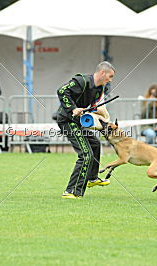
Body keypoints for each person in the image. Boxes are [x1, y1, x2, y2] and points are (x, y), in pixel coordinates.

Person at [56, 61, 114, 199]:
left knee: (95, 144)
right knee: (86, 154)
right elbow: (62, 91)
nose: (110, 80)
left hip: (78, 121)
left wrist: (103, 117)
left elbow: (93, 106)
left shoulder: (99, 89)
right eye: (110, 76)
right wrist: (73, 108)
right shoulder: (81, 81)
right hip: (67, 120)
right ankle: (71, 191)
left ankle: (92, 178)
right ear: (102, 73)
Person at [141, 84, 157, 149]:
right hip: (147, 126)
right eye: (151, 93)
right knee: (151, 134)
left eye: (155, 94)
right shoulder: (145, 101)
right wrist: (149, 103)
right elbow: (143, 114)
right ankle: (149, 151)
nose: (153, 95)